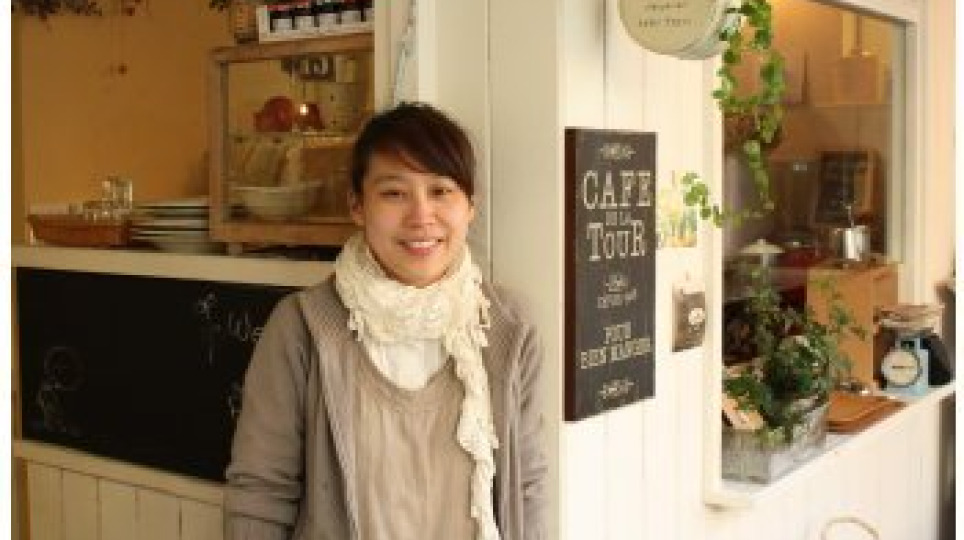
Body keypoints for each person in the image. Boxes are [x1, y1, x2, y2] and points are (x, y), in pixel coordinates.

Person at [224, 102, 548, 540]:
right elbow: (260, 493)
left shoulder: (510, 328)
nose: (421, 216)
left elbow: (527, 488)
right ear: (357, 205)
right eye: (394, 193)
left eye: (441, 191)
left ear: (470, 206)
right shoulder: (302, 328)